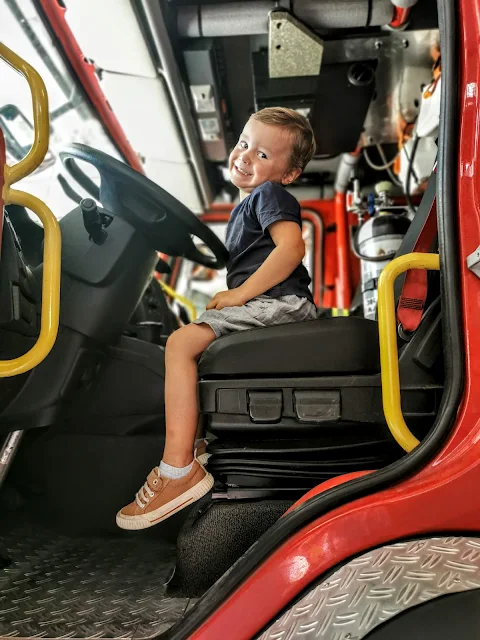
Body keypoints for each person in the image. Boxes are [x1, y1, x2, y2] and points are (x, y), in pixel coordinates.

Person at [116, 107, 317, 530]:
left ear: (289, 174)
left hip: (281, 303)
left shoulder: (269, 196)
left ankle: (176, 470)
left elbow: (291, 249)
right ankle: (198, 448)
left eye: (263, 154)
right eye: (243, 143)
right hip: (275, 302)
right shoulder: (248, 205)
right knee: (198, 346)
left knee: (180, 343)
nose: (245, 156)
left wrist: (241, 295)